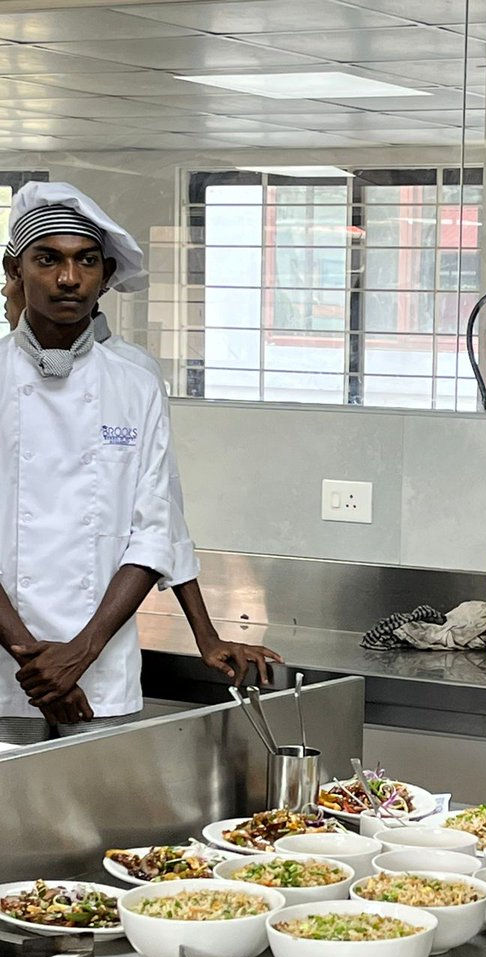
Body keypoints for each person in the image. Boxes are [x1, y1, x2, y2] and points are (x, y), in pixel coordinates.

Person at [0, 182, 280, 744]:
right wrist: (40, 669)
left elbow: (154, 529)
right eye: (47, 259)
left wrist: (80, 654)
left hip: (100, 669)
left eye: (86, 262)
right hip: (8, 671)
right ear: (15, 269)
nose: (68, 278)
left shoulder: (135, 384)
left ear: (104, 275)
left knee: (98, 828)